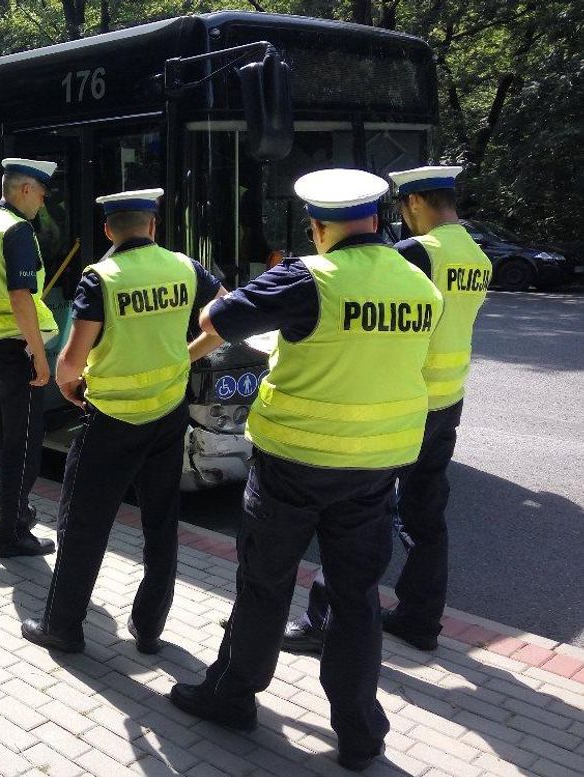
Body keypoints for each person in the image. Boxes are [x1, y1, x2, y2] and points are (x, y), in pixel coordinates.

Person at [168, 169, 443, 773]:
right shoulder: (420, 284)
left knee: (264, 584)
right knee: (356, 599)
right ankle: (358, 732)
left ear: (318, 227)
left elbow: (219, 321)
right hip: (375, 469)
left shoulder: (307, 278)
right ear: (376, 219)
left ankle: (232, 695)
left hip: (295, 465)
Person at [283, 165, 492, 654]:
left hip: (403, 403)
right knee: (426, 515)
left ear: (415, 203)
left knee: (356, 514)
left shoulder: (418, 254)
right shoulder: (477, 255)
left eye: (403, 207)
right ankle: (420, 620)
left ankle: (325, 619)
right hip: (448, 400)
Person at [20, 189, 226, 653]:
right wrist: (185, 358)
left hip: (110, 420)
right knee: (161, 520)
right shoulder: (185, 267)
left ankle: (63, 626)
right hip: (168, 415)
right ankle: (149, 627)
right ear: (152, 226)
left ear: (109, 230)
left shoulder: (101, 278)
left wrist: (69, 386)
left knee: (83, 522)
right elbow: (226, 319)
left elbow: (71, 363)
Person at [0, 158, 59, 558]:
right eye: (41, 192)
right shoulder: (16, 229)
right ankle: (12, 534)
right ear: (24, 189)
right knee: (22, 445)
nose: (42, 200)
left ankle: (17, 512)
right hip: (15, 347)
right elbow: (21, 296)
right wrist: (39, 355)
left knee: (6, 439)